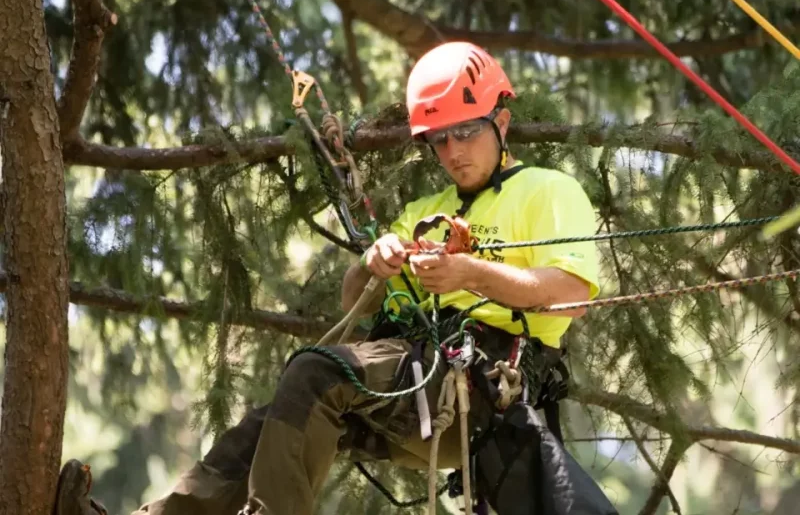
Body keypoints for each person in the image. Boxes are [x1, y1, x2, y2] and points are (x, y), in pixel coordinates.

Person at [61, 41, 615, 515]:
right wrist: (371, 264)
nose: (452, 152)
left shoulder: (547, 191)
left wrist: (471, 273)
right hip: (417, 379)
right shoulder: (427, 210)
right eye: (439, 139)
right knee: (276, 421)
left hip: (481, 388)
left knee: (315, 372)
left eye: (466, 132)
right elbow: (358, 306)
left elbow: (570, 297)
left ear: (502, 122)